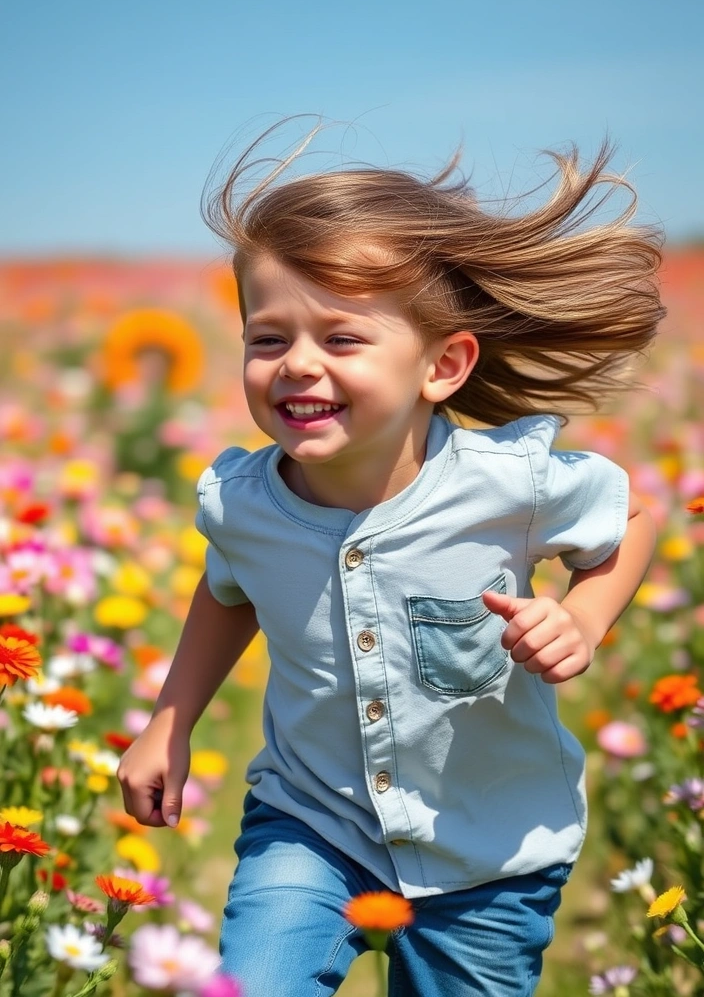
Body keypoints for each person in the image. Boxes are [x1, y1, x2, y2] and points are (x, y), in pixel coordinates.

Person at [118, 120, 664, 996]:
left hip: (487, 853)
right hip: (309, 826)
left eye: (341, 340)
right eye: (268, 338)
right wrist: (169, 723)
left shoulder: (504, 483)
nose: (297, 365)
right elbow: (229, 592)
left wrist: (583, 618)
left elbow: (632, 513)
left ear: (442, 365)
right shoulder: (243, 503)